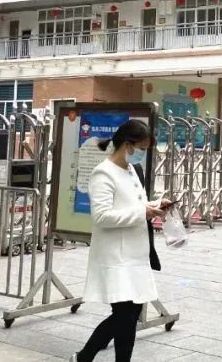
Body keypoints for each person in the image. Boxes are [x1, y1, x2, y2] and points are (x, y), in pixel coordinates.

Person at [70, 120, 166, 362]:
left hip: (135, 254)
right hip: (115, 256)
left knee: (130, 314)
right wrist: (142, 213)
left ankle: (83, 358)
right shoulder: (103, 173)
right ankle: (84, 357)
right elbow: (101, 216)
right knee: (124, 315)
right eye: (141, 148)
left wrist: (154, 206)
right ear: (127, 145)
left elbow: (133, 204)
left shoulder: (132, 169)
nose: (143, 154)